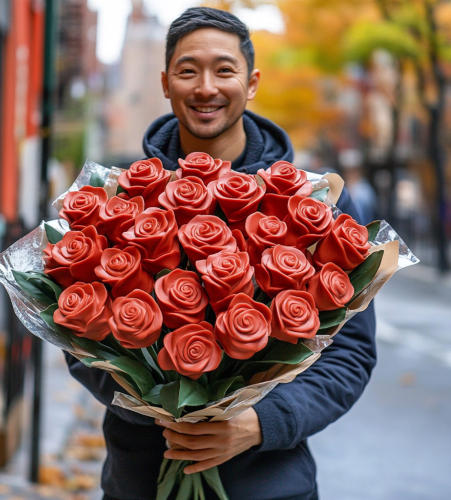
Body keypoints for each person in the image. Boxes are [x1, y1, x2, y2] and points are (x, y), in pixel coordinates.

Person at [65, 7, 376, 500]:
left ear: (251, 83)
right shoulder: (121, 197)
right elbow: (80, 338)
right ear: (166, 83)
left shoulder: (317, 203)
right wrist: (164, 406)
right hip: (141, 481)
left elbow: (350, 354)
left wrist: (262, 422)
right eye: (188, 71)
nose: (206, 87)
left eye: (224, 70)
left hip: (270, 485)